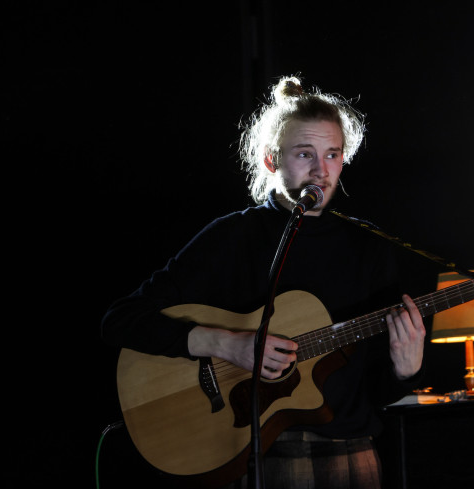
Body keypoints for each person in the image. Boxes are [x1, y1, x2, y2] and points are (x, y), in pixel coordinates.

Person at [101, 75, 426, 489]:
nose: (321, 171)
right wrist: (227, 344)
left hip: (351, 453)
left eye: (332, 155)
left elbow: (371, 392)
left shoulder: (369, 247)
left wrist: (407, 370)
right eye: (305, 154)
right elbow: (120, 320)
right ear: (272, 159)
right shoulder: (233, 236)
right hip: (262, 457)